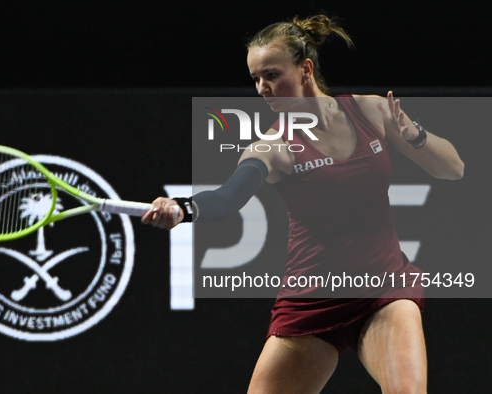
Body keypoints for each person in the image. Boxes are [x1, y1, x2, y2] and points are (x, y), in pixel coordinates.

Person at [142, 14, 464, 393]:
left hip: (383, 288)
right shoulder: (272, 146)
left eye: (272, 75)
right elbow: (228, 198)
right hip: (311, 300)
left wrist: (415, 136)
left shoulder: (372, 111)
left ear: (305, 69)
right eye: (256, 78)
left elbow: (453, 169)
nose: (262, 88)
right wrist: (183, 208)